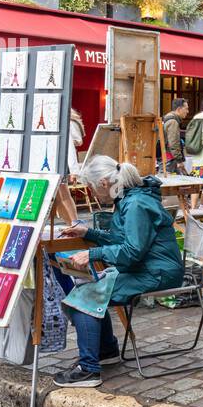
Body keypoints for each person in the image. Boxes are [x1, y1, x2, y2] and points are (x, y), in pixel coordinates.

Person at [53, 156, 183, 388]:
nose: (93, 195)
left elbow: (132, 251)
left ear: (103, 183)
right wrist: (89, 234)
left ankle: (89, 369)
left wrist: (93, 254)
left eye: (92, 188)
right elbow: (124, 240)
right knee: (89, 289)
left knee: (83, 298)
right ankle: (106, 350)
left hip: (157, 272)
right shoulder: (131, 200)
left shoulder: (135, 204)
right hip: (149, 268)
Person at [162, 97, 189, 174]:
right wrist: (179, 160)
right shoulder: (173, 122)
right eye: (186, 109)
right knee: (169, 182)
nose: (187, 111)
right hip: (170, 159)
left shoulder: (168, 119)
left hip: (168, 158)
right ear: (179, 109)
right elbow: (173, 143)